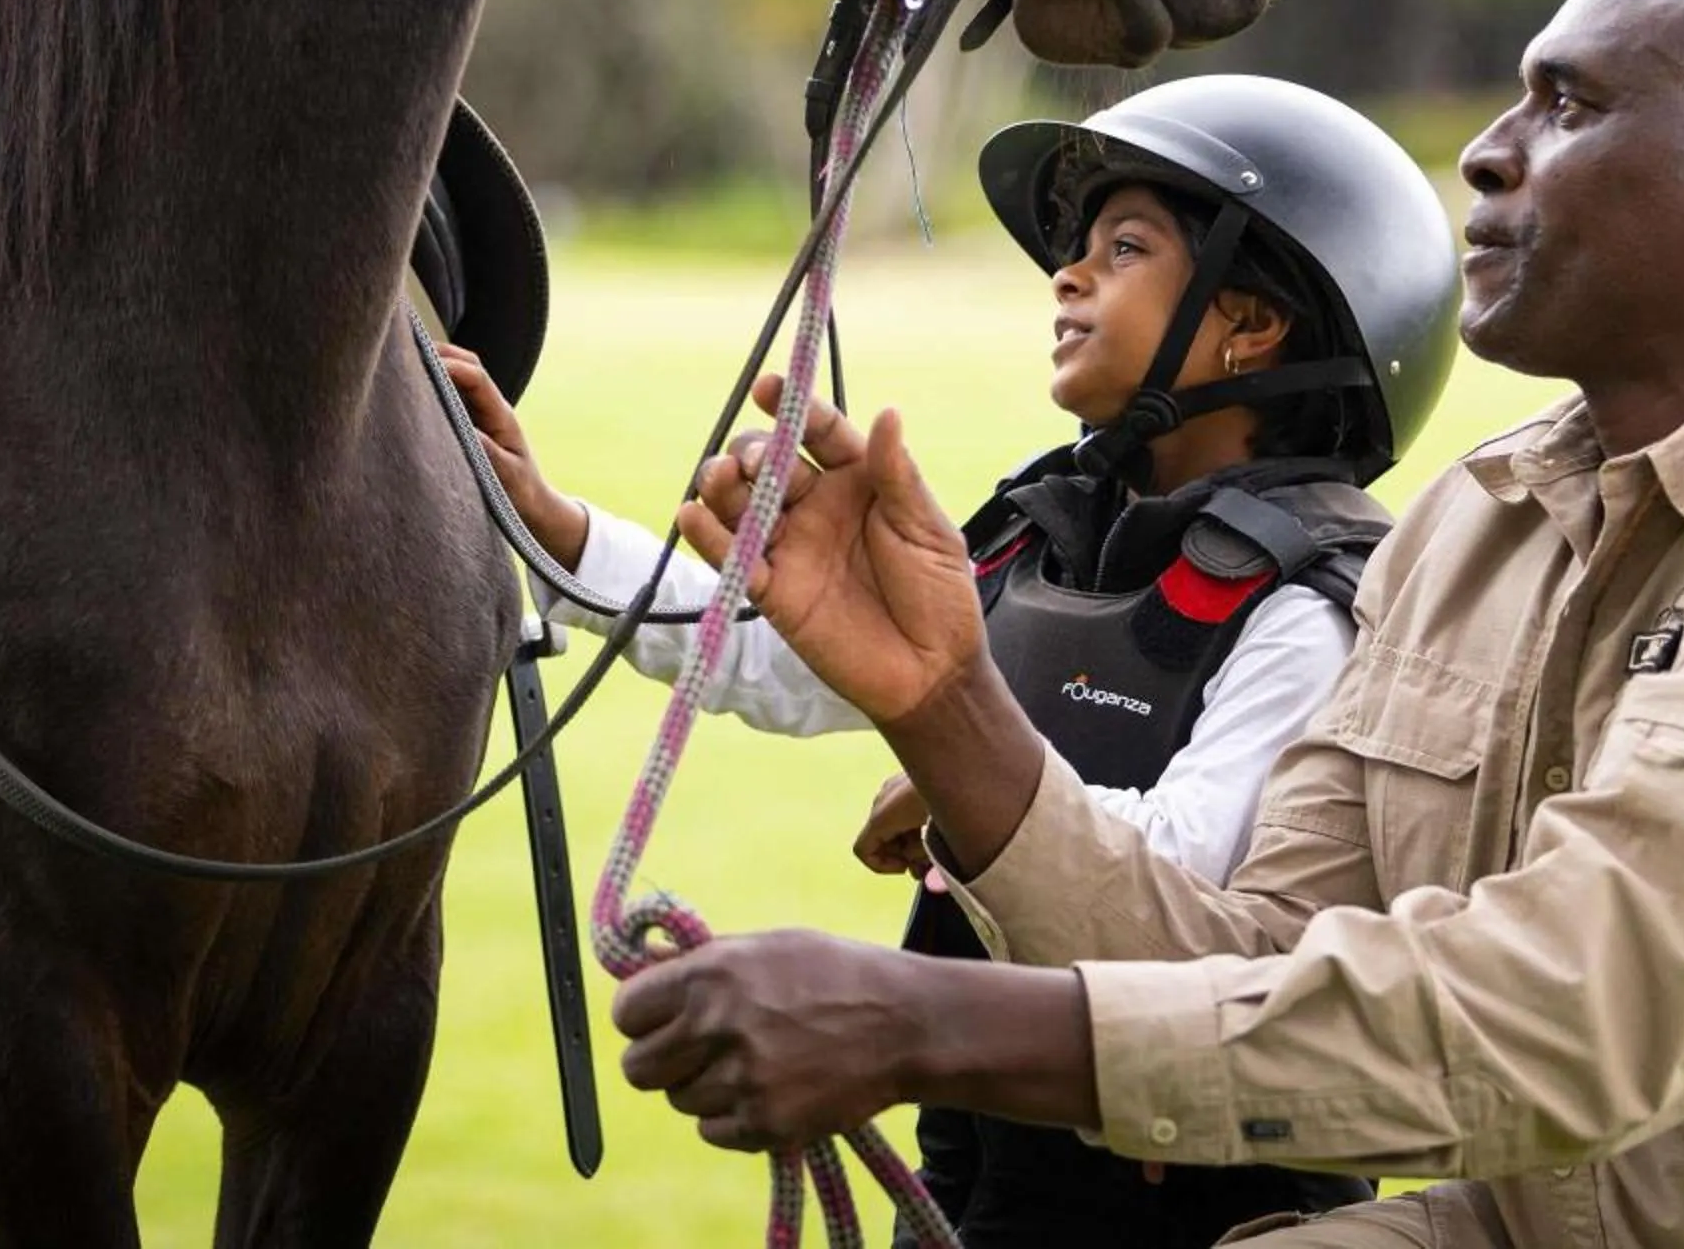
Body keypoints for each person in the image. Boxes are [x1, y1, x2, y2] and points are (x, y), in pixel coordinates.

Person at [609, 0, 1684, 1248]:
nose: (1486, 158)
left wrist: (930, 1021)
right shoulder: (1481, 526)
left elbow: (1580, 1014)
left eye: (1564, 109)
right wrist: (948, 705)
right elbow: (1261, 953)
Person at [442, 75, 1463, 1249]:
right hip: (981, 1170)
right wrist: (551, 525)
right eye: (1075, 249)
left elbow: (1199, 878)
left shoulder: (1307, 605)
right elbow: (788, 658)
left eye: (1122, 249)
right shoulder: (1049, 531)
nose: (1068, 275)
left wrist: (951, 789)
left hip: (1192, 1210)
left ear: (1251, 323)